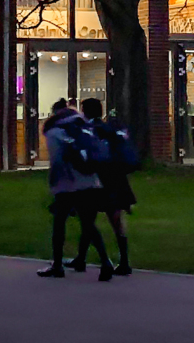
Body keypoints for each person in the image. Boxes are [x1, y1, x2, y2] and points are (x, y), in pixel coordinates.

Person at [36, 98, 113, 281]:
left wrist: (53, 186)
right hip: (90, 181)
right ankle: (106, 262)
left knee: (59, 223)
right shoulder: (84, 127)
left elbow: (57, 161)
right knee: (88, 224)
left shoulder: (54, 132)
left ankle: (57, 265)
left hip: (67, 183)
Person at [73, 97, 138, 277]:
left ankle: (84, 259)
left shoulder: (88, 130)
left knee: (88, 220)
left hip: (97, 180)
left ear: (86, 111)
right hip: (116, 180)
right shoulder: (110, 129)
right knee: (116, 222)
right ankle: (124, 261)